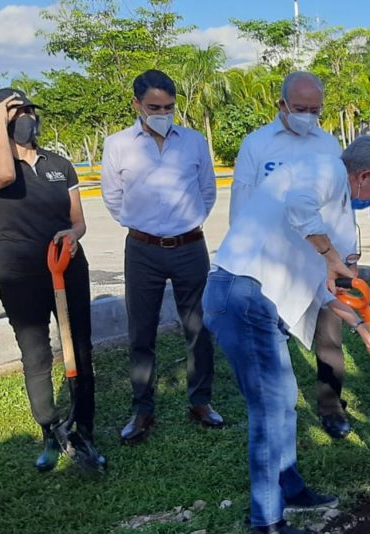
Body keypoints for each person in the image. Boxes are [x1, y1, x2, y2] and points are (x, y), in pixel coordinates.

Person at [203, 136, 370, 534]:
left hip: (261, 302)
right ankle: (267, 527)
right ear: (364, 176)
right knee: (270, 411)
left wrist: (369, 334)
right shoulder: (324, 169)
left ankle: (289, 486)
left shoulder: (340, 205)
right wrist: (331, 256)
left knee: (284, 400)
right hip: (242, 292)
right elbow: (299, 209)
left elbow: (330, 292)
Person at [0, 88, 104, 471]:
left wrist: (73, 235)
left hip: (67, 266)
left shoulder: (59, 165)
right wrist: (3, 127)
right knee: (36, 354)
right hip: (20, 273)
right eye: (14, 113)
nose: (25, 118)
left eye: (28, 110)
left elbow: (78, 220)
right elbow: (4, 175)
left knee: (80, 349)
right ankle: (49, 431)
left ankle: (84, 430)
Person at [230, 71, 354, 440]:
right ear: (281, 104)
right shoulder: (257, 145)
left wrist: (348, 254)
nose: (308, 116)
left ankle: (331, 407)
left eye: (315, 109)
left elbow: (342, 207)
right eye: (300, 108)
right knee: (272, 338)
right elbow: (242, 205)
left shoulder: (329, 144)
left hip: (321, 261)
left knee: (330, 339)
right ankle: (276, 410)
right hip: (273, 262)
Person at [101, 70, 220, 444]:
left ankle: (200, 402)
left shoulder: (194, 142)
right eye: (154, 107)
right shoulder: (118, 145)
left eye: (169, 107)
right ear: (136, 104)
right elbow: (113, 197)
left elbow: (207, 191)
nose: (163, 113)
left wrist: (183, 224)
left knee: (198, 328)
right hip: (142, 251)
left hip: (190, 247)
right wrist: (146, 227)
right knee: (141, 332)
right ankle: (142, 411)